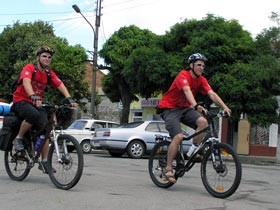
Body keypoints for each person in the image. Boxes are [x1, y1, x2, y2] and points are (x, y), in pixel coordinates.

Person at [157, 53, 231, 183]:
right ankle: (168, 169)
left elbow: (212, 94)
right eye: (198, 65)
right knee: (178, 136)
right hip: (169, 108)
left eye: (203, 65)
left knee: (203, 122)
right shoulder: (183, 76)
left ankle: (192, 151)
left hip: (184, 108)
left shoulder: (201, 79)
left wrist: (225, 107)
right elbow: (187, 91)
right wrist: (196, 105)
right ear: (191, 65)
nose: (201, 67)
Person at [11, 46, 77, 174]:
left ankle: (45, 161)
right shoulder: (30, 68)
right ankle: (18, 138)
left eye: (49, 57)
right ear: (38, 58)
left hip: (36, 104)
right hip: (21, 101)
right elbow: (26, 82)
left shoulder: (48, 73)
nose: (47, 58)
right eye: (44, 56)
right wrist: (32, 95)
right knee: (33, 115)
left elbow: (60, 84)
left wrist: (69, 98)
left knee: (46, 129)